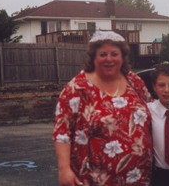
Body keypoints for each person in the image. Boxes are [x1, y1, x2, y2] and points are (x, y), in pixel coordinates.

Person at [53, 31, 153, 186]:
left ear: (122, 57)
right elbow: (62, 133)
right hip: (93, 178)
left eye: (114, 54)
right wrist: (64, 169)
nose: (109, 59)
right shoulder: (77, 88)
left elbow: (153, 114)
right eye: (102, 54)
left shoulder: (134, 81)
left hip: (138, 176)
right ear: (93, 57)